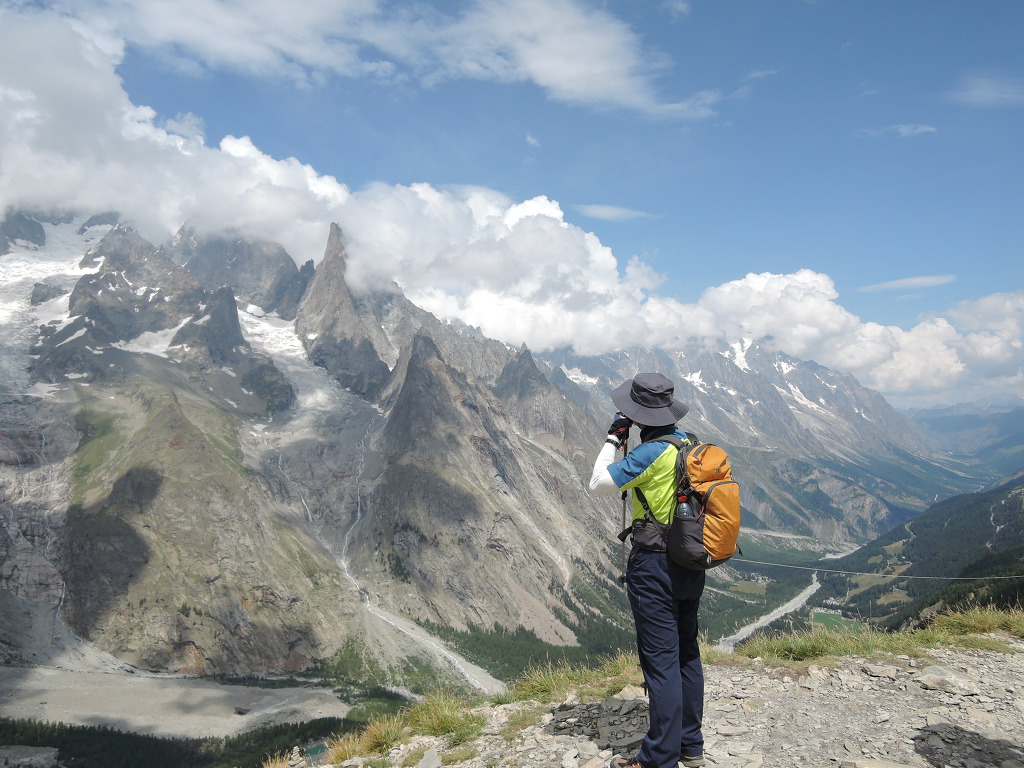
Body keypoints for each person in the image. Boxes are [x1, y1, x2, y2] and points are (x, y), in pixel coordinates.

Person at [589, 372, 705, 768]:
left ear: (637, 416)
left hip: (655, 565)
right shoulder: (689, 443)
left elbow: (598, 483)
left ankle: (658, 758)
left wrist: (613, 439)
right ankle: (690, 744)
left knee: (661, 664)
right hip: (691, 561)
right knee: (687, 653)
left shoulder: (651, 453)